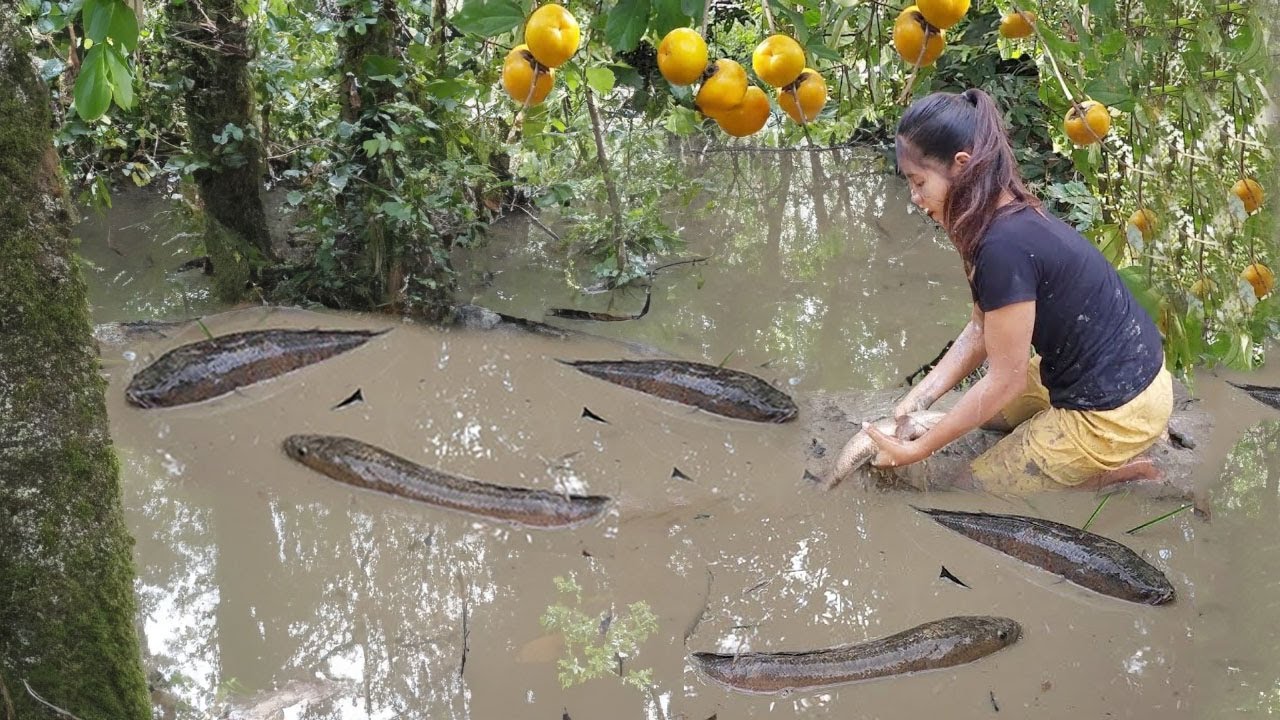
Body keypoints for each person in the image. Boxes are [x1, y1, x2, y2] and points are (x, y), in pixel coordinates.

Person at [849, 88, 1173, 494]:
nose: (915, 198)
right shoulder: (1003, 214)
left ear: (961, 165)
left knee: (972, 489)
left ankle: (1107, 474)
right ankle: (1086, 455)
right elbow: (981, 329)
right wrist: (919, 398)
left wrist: (918, 450)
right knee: (988, 419)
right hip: (1119, 371)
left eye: (919, 182)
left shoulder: (1001, 247)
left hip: (1117, 408)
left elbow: (1006, 380)